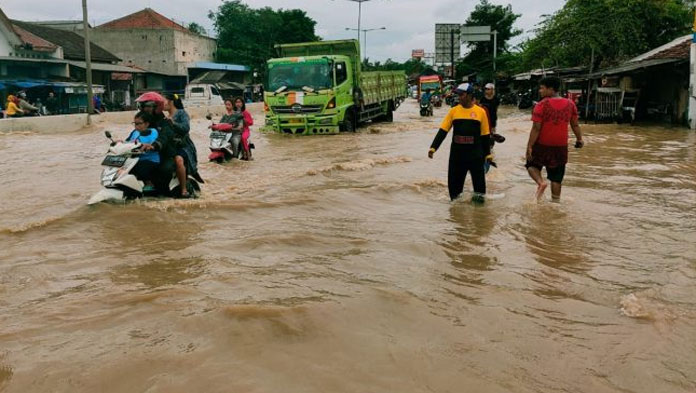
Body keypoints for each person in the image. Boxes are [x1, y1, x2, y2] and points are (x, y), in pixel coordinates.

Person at [428, 83, 492, 202]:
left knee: (479, 191)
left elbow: (485, 135)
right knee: (454, 192)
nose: (459, 97)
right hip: (457, 156)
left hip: (475, 155)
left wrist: (488, 154)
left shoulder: (480, 112)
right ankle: (456, 218)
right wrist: (433, 148)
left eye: (461, 94)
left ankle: (479, 217)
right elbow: (443, 131)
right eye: (458, 94)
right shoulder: (453, 111)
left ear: (469, 95)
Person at [525, 76, 584, 201]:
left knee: (531, 165)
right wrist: (579, 139)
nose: (540, 91)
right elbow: (575, 125)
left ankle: (541, 183)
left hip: (542, 145)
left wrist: (529, 146)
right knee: (556, 177)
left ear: (550, 89)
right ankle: (556, 202)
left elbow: (536, 128)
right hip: (560, 147)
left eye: (542, 88)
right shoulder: (570, 104)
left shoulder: (541, 105)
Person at [136, 92, 178, 196]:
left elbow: (163, 138)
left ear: (156, 107)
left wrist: (153, 145)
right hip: (146, 153)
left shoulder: (164, 122)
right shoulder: (143, 121)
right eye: (144, 106)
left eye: (149, 106)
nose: (146, 109)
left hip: (164, 154)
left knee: (164, 169)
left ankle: (163, 193)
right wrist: (121, 144)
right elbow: (134, 135)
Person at [164, 93, 201, 198]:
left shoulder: (181, 113)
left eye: (164, 101)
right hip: (170, 147)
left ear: (171, 102)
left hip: (183, 146)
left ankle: (183, 189)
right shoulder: (165, 117)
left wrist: (173, 123)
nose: (163, 104)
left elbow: (186, 128)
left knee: (179, 160)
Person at [125, 111, 160, 183]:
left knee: (140, 169)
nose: (136, 126)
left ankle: (149, 184)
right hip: (135, 159)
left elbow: (152, 143)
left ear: (147, 124)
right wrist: (120, 143)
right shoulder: (135, 132)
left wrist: (145, 145)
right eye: (135, 123)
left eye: (139, 124)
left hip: (149, 159)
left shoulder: (153, 132)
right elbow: (128, 142)